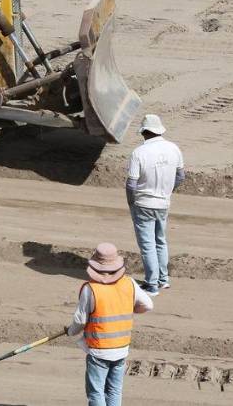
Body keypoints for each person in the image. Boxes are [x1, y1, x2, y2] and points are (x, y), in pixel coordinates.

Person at [67, 242, 154, 406]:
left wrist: (71, 331)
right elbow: (148, 305)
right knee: (114, 390)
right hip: (122, 348)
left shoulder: (91, 289)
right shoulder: (129, 283)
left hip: (99, 350)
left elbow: (80, 320)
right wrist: (130, 308)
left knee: (96, 392)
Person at [126, 114, 184, 295]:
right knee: (160, 241)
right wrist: (167, 191)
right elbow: (181, 176)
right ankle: (163, 279)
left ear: (144, 132)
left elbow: (131, 183)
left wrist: (131, 201)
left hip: (143, 203)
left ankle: (151, 284)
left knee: (147, 244)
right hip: (163, 203)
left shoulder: (139, 152)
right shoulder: (174, 149)